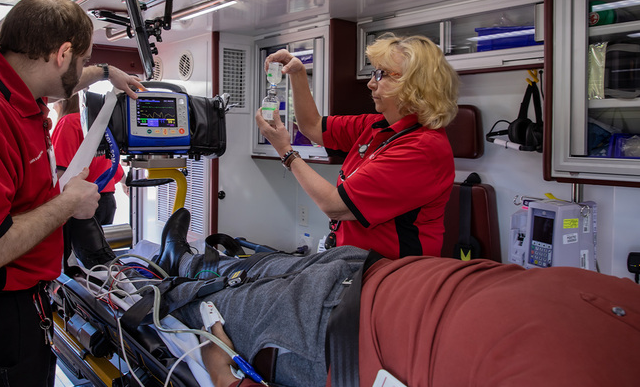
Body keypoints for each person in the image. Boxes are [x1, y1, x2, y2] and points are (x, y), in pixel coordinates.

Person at [0, 0, 145, 387]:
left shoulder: (14, 92)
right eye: (82, 60)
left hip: (13, 304)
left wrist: (106, 72)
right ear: (62, 54)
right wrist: (68, 203)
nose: (82, 69)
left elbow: (66, 81)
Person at [150, 209, 640, 387]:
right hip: (370, 271)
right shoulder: (625, 301)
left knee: (222, 305)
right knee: (255, 267)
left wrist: (225, 377)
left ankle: (171, 283)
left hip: (328, 337)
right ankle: (187, 261)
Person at [255, 33, 459, 259]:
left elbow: (335, 205)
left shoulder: (421, 149)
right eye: (374, 73)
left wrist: (286, 153)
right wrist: (298, 73)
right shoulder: (376, 126)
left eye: (381, 74)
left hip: (392, 272)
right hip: (353, 263)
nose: (371, 84)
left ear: (414, 84)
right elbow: (312, 125)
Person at [51, 90, 125, 225]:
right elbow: (112, 162)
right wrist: (125, 182)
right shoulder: (95, 124)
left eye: (53, 101)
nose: (52, 106)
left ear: (62, 101)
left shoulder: (68, 122)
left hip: (83, 201)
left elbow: (60, 170)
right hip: (107, 201)